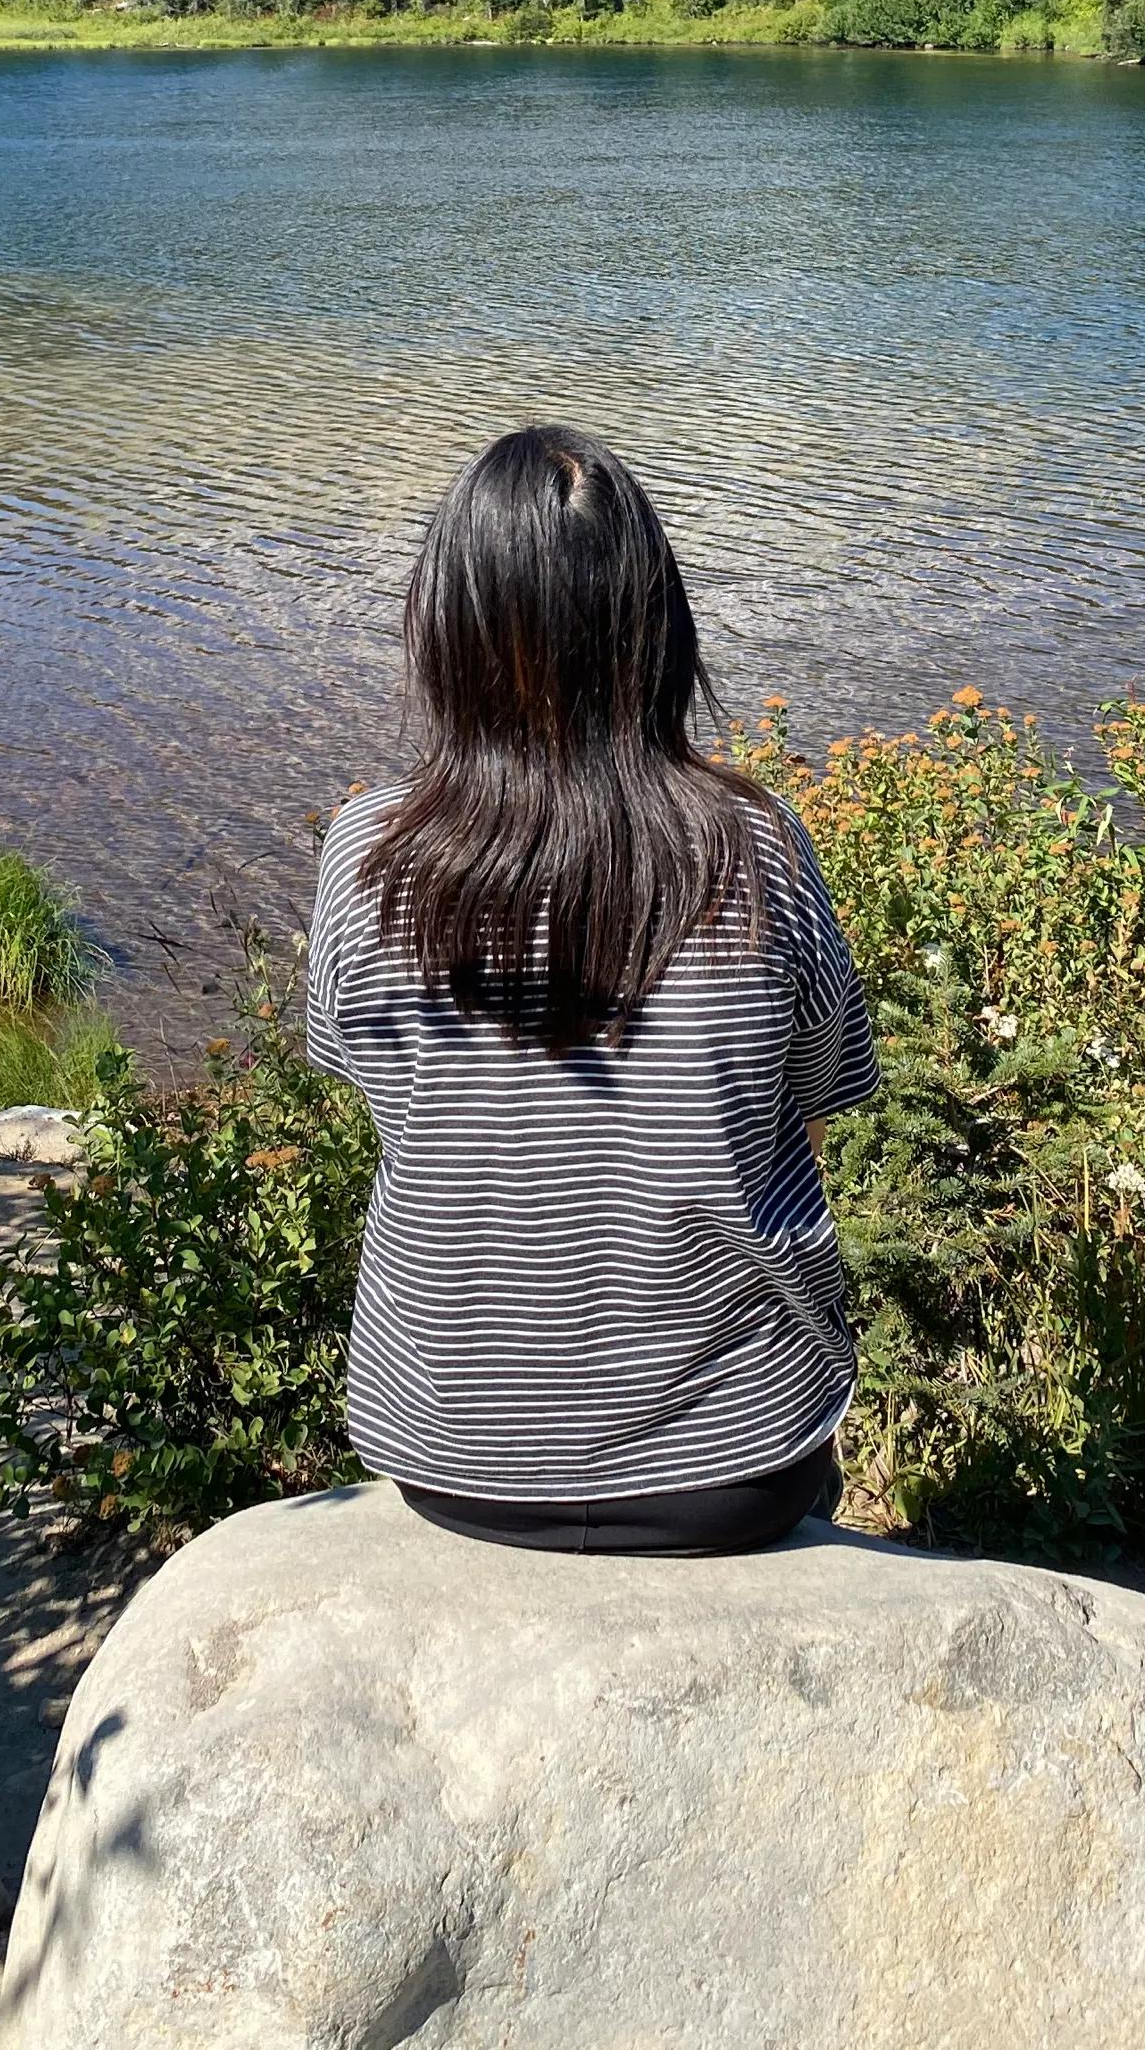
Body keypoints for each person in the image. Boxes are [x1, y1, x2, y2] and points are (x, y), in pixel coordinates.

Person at [306, 422, 879, 1556]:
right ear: (657, 627)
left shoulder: (363, 854)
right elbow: (819, 1083)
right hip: (740, 1457)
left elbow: (373, 1085)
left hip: (449, 1453)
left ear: (447, 630)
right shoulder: (756, 846)